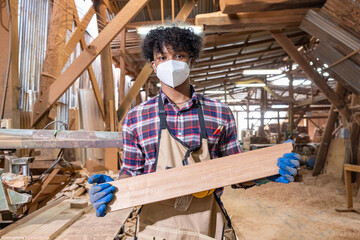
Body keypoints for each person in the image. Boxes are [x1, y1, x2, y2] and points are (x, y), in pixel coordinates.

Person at [88, 23, 300, 239]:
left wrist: (266, 171)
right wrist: (112, 190)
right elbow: (132, 173)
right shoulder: (136, 118)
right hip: (154, 229)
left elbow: (237, 174)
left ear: (191, 61)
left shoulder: (220, 113)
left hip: (206, 227)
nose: (170, 63)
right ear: (153, 65)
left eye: (179, 55)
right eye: (162, 58)